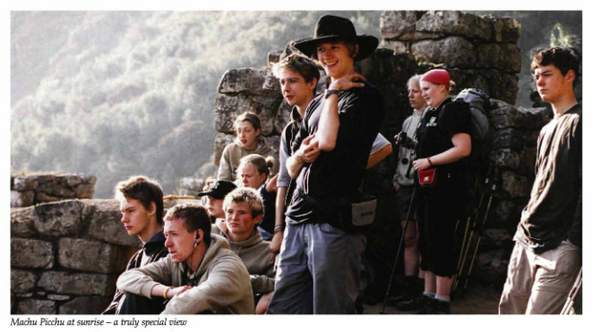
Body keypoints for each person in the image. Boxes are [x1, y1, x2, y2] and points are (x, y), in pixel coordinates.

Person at [267, 15, 384, 314]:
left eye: (334, 47)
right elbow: (294, 164)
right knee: (284, 307)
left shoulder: (364, 98)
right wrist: (302, 156)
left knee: (331, 309)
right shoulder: (317, 103)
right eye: (321, 49)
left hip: (334, 221)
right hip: (299, 216)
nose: (327, 55)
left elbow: (328, 143)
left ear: (353, 50)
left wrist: (332, 92)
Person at [498, 47, 581, 314]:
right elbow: (540, 185)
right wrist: (524, 223)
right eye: (536, 76)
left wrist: (573, 241)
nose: (540, 81)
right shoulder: (546, 128)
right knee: (509, 313)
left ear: (570, 76)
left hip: (560, 245)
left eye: (547, 74)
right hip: (526, 237)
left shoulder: (581, 123)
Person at [403, 68, 472, 314]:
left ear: (443, 86)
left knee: (442, 240)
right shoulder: (431, 112)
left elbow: (463, 148)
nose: (423, 94)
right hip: (427, 188)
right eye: (421, 89)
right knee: (427, 240)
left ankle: (442, 299)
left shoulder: (454, 110)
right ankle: (428, 294)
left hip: (446, 189)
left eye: (427, 89)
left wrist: (429, 162)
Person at [116, 204, 254, 314]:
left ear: (198, 236)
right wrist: (167, 291)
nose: (167, 243)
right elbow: (127, 278)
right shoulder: (175, 261)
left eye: (174, 235)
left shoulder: (228, 267)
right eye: (166, 235)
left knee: (200, 312)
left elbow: (195, 299)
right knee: (134, 296)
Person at [270, 52, 320, 255]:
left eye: (293, 81)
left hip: (327, 217)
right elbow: (284, 182)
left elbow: (382, 147)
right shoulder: (290, 131)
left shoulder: (329, 115)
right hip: (296, 217)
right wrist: (278, 229)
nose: (286, 88)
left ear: (312, 82)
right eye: (282, 82)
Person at [103, 176, 169, 314]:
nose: (123, 219)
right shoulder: (137, 258)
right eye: (122, 212)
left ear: (151, 208)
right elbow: (114, 307)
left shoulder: (170, 251)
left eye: (131, 211)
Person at [390, 74, 428, 305]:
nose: (410, 96)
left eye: (415, 91)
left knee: (424, 238)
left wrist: (413, 144)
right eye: (409, 92)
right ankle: (408, 285)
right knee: (408, 237)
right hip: (403, 185)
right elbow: (401, 156)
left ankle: (424, 290)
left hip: (421, 186)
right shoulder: (407, 121)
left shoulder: (431, 119)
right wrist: (396, 178)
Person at [213, 187, 276, 314]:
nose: (234, 217)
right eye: (230, 212)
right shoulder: (211, 238)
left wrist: (246, 279)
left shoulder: (267, 252)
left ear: (257, 218)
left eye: (241, 213)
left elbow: (277, 284)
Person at [217, 111, 278, 181]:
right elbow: (223, 180)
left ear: (257, 131)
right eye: (239, 131)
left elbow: (273, 182)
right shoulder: (230, 151)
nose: (242, 135)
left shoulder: (270, 154)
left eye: (247, 130)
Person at [236, 154, 277, 240]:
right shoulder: (240, 194)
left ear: (262, 177)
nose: (244, 180)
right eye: (242, 176)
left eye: (248, 176)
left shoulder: (269, 198)